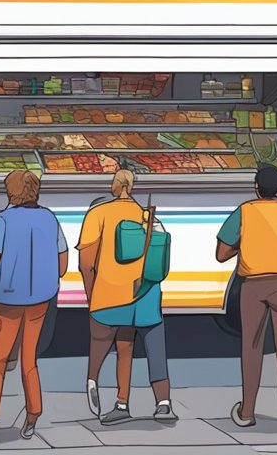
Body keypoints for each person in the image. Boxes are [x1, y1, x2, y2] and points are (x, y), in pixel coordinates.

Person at [0, 170, 67, 448]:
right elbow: (62, 262)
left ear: (12, 192)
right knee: (29, 359)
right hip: (40, 299)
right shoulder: (50, 218)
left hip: (8, 300)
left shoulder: (3, 220)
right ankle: (33, 415)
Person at [80, 169, 176, 425]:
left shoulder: (97, 214)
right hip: (146, 293)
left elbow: (86, 264)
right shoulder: (148, 216)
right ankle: (163, 404)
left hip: (112, 295)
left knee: (121, 347)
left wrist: (92, 296)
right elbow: (159, 258)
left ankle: (115, 397)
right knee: (154, 347)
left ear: (113, 186)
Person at [217, 165, 277, 427]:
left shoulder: (245, 210)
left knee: (251, 347)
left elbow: (221, 253)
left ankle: (247, 412)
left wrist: (242, 249)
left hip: (252, 283)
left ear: (256, 187)